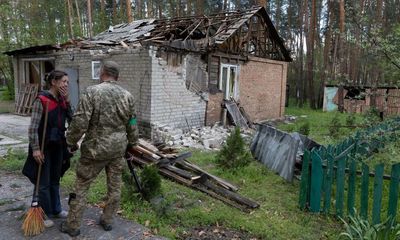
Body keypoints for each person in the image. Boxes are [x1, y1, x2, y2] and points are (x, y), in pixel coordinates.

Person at [60, 61, 138, 237]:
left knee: (82, 186)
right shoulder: (127, 96)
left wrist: (70, 141)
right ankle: (108, 220)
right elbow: (132, 122)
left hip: (95, 150)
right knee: (114, 187)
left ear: (102, 73)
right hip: (118, 149)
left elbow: (80, 121)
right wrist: (132, 143)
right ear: (117, 76)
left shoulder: (92, 92)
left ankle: (73, 226)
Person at [23, 70, 73, 228]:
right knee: (43, 182)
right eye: (64, 81)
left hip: (58, 145)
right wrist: (36, 149)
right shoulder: (42, 100)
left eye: (67, 81)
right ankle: (43, 214)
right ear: (54, 82)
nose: (66, 84)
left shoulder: (62, 101)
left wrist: (67, 100)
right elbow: (33, 128)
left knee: (55, 179)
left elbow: (72, 119)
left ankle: (56, 209)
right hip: (43, 147)